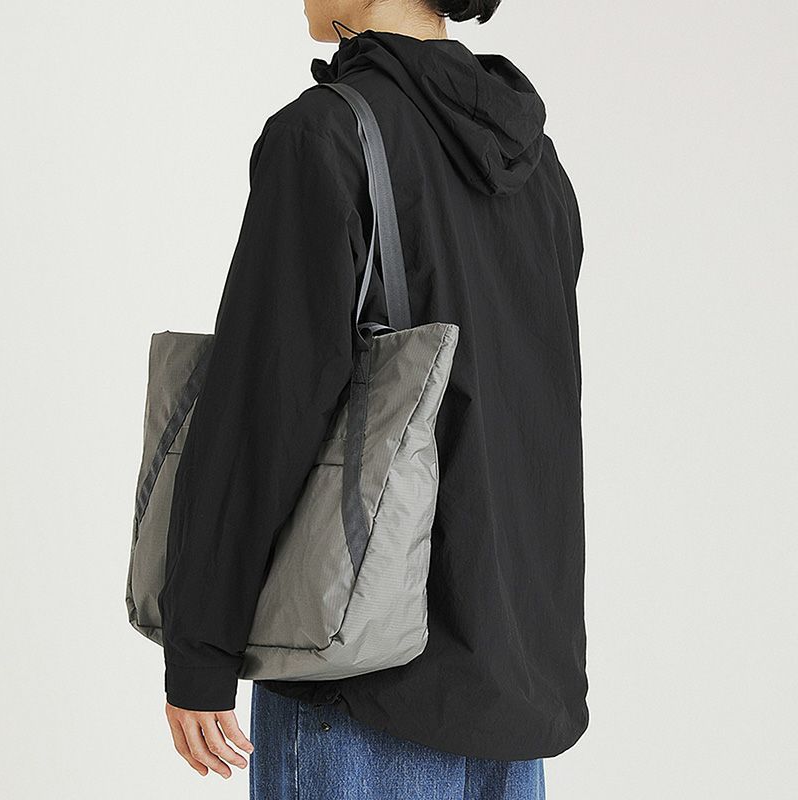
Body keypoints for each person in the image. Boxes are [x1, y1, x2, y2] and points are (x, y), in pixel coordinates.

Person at [158, 1, 587, 797]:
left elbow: (264, 407)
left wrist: (201, 646)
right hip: (512, 686)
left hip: (361, 682)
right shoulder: (535, 162)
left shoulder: (325, 136)